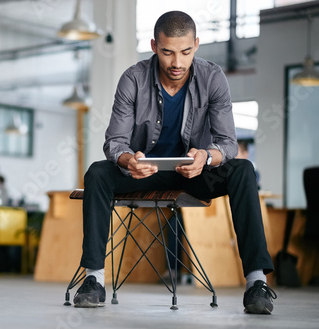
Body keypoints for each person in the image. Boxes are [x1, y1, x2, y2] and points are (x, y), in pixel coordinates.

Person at [73, 11, 277, 314]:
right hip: (144, 172)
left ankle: (256, 283)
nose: (177, 63)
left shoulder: (213, 77)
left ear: (196, 44)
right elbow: (114, 143)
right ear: (155, 46)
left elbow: (228, 144)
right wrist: (130, 160)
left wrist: (206, 156)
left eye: (185, 52)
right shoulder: (133, 78)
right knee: (98, 173)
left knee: (244, 170)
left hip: (195, 172)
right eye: (168, 52)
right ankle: (93, 279)